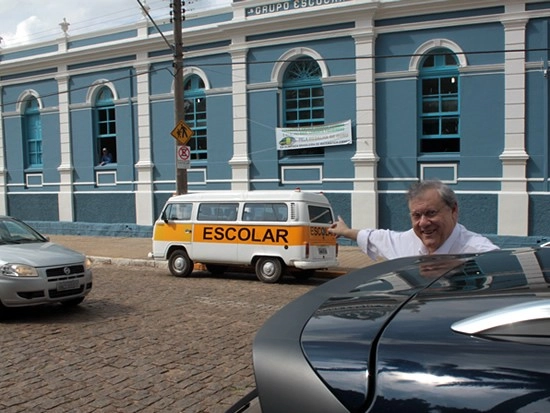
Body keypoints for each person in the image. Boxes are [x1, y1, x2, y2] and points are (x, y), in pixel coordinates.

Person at [329, 179, 499, 260]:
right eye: (416, 216)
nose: (423, 223)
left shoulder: (482, 254)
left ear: (453, 210)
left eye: (431, 213)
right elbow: (376, 237)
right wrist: (345, 231)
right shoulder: (407, 241)